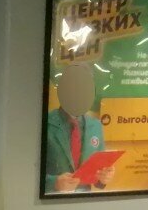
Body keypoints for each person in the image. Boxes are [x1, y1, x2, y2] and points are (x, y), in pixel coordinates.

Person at [45, 63, 115, 193]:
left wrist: (103, 178)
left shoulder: (96, 126)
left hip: (84, 200)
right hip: (50, 200)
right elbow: (27, 171)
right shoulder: (46, 123)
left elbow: (98, 174)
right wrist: (54, 183)